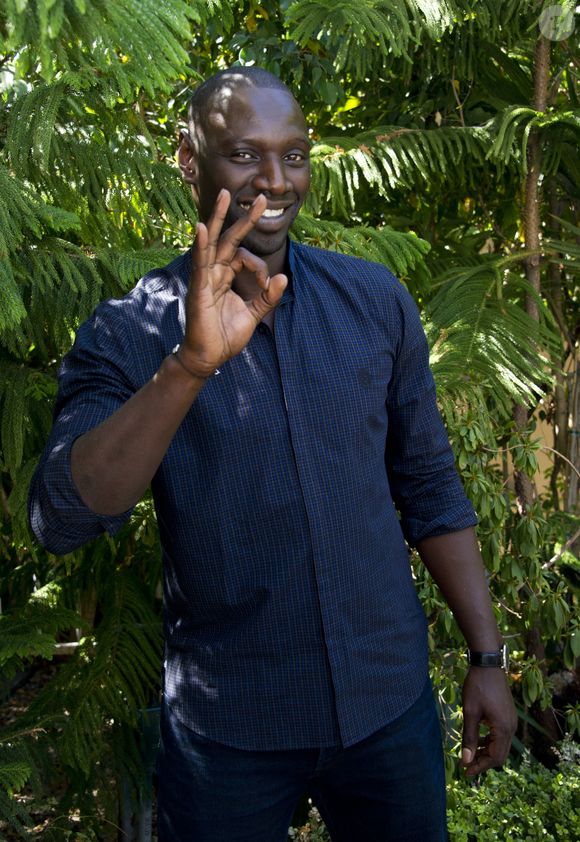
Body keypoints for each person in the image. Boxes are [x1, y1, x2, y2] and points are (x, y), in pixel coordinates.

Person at [29, 67, 517, 841]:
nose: (275, 180)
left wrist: (487, 660)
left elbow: (429, 487)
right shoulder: (129, 330)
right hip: (231, 729)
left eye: (294, 156)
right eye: (244, 155)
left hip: (387, 706)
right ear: (190, 160)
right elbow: (62, 514)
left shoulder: (374, 301)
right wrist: (188, 368)